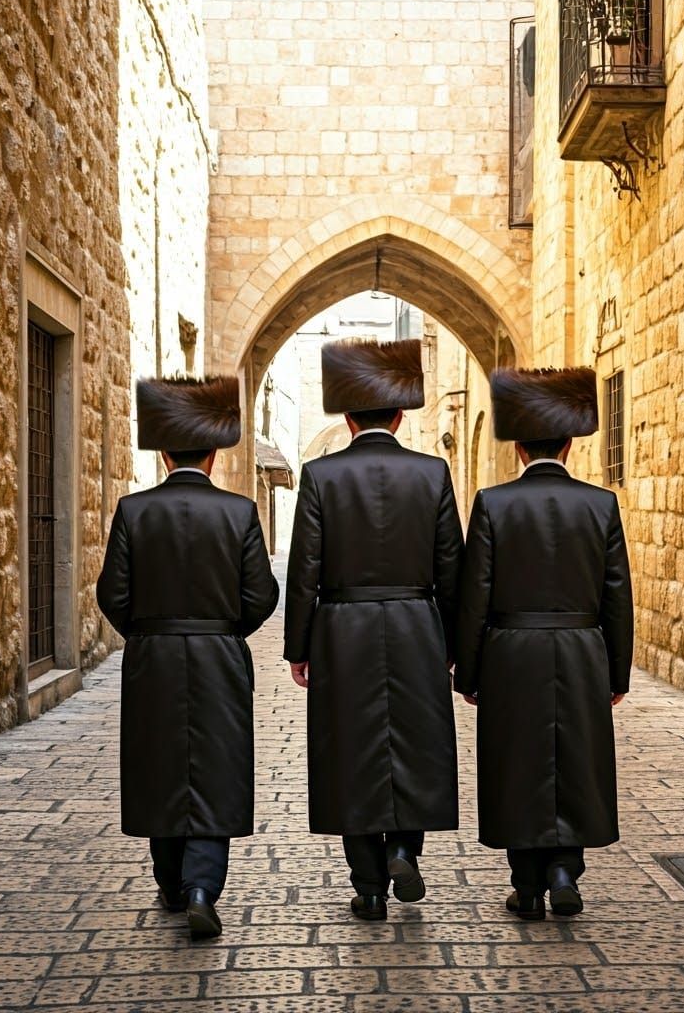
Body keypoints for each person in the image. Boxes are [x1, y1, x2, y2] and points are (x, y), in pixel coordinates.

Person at [284, 338, 463, 921]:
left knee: (351, 750)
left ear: (346, 415)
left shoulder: (320, 476)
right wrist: (456, 647)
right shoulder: (433, 473)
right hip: (417, 626)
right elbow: (452, 570)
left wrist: (299, 646)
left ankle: (367, 886)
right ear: (402, 413)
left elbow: (304, 566)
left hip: (342, 630)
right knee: (414, 743)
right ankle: (406, 848)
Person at [97, 375, 278, 940]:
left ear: (165, 451)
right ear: (215, 451)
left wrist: (149, 633)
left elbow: (112, 594)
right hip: (220, 655)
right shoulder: (241, 512)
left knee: (160, 764)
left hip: (152, 656)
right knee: (215, 766)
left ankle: (172, 881)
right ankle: (204, 887)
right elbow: (262, 595)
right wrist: (224, 631)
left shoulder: (132, 510)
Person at [455, 366, 633, 920]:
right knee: (574, 759)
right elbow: (617, 596)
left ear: (519, 448)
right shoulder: (601, 505)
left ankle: (527, 882)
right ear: (570, 444)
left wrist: (469, 671)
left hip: (511, 650)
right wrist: (617, 673)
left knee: (518, 762)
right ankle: (564, 870)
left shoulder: (492, 503)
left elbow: (474, 594)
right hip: (582, 649)